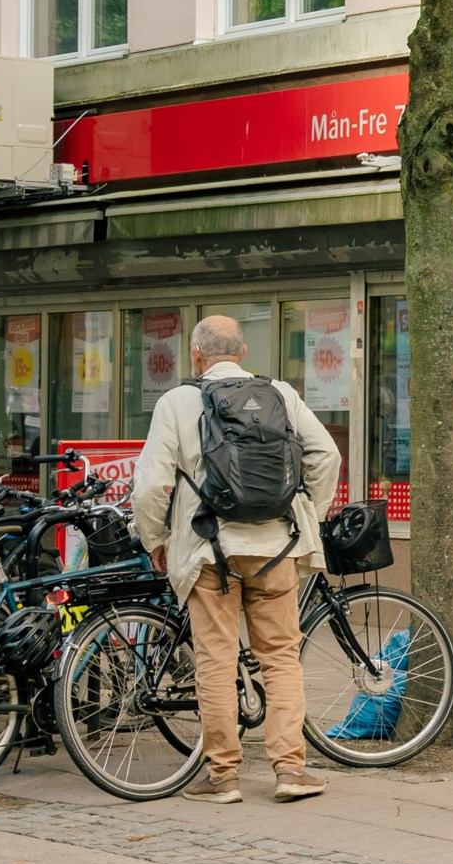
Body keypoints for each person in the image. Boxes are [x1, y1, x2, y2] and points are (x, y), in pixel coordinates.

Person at [130, 314, 342, 803]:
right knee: (282, 660)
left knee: (216, 661)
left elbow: (149, 485)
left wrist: (155, 540)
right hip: (276, 548)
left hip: (209, 551)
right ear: (242, 352)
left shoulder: (177, 402)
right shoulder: (281, 395)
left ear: (196, 355)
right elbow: (326, 456)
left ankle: (222, 776)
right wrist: (310, 512)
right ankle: (291, 771)